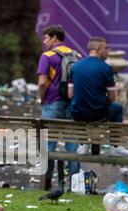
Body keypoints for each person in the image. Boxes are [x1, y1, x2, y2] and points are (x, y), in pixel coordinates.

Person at [68, 37, 128, 157]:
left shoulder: (74, 67)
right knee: (117, 108)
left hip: (78, 113)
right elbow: (112, 98)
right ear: (98, 49)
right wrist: (100, 101)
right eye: (106, 48)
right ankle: (115, 147)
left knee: (77, 108)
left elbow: (70, 94)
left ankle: (83, 144)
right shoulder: (106, 68)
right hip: (98, 113)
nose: (108, 51)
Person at [37, 25, 81, 191]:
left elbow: (42, 82)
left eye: (46, 37)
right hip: (71, 103)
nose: (44, 41)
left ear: (55, 37)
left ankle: (46, 182)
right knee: (72, 144)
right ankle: (75, 184)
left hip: (51, 103)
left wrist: (42, 99)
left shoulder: (47, 56)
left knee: (49, 144)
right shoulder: (76, 55)